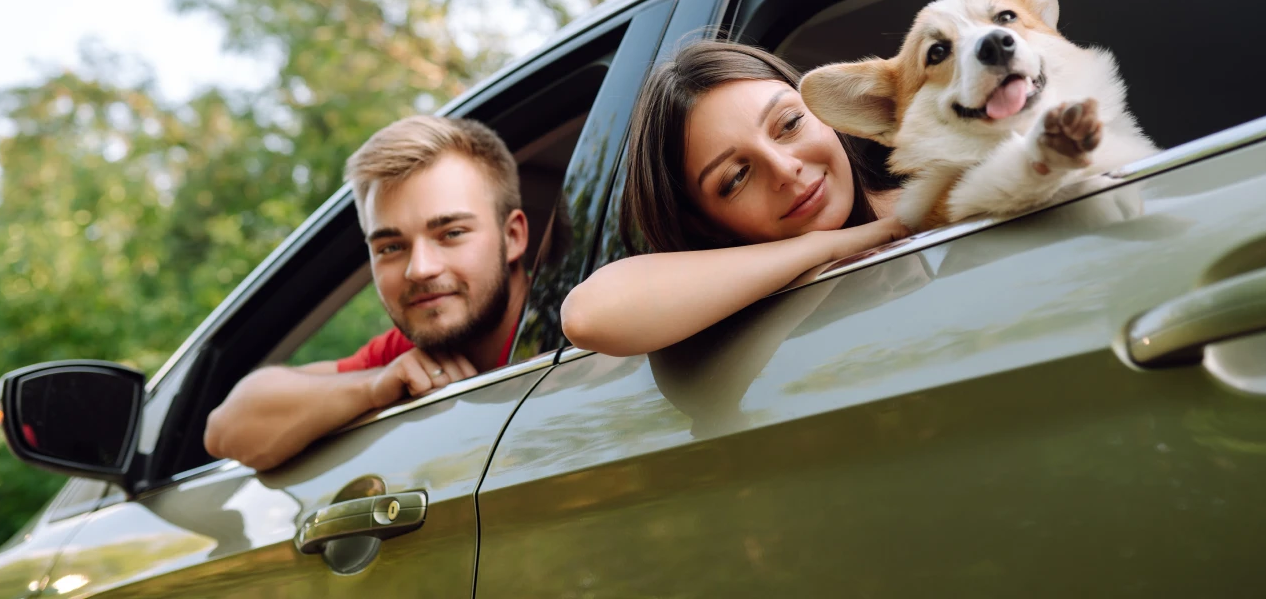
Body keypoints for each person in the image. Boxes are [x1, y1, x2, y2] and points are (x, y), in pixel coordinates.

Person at [204, 115, 530, 471]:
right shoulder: (406, 357)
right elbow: (226, 429)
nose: (419, 268)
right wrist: (376, 386)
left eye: (451, 233)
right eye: (391, 247)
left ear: (512, 236)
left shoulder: (578, 333)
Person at [560, 41, 908, 358]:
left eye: (789, 124)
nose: (785, 170)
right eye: (736, 177)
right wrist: (832, 245)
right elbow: (586, 315)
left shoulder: (942, 194)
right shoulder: (721, 313)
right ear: (707, 226)